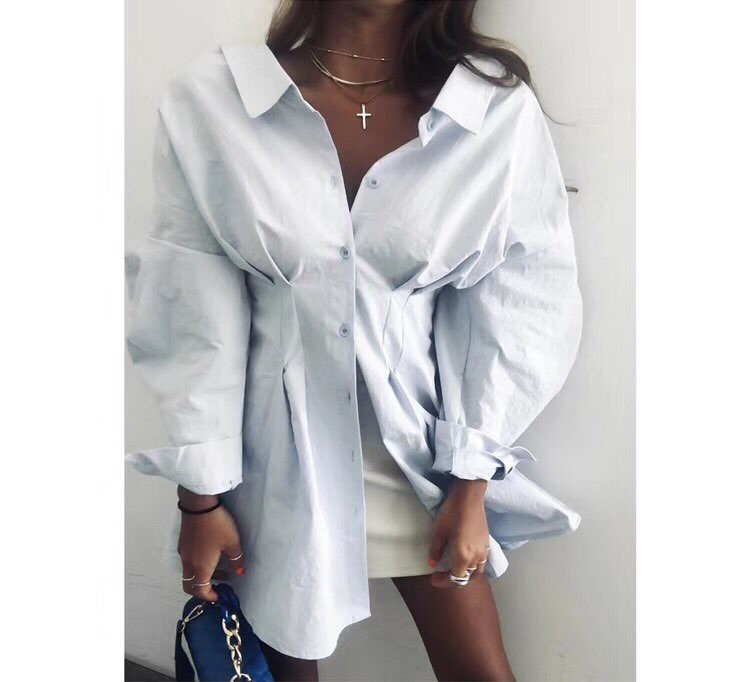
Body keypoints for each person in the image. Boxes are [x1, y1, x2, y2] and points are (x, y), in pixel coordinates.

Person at [125, 1, 583, 679]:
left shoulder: (490, 112)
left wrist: (472, 480)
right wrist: (202, 498)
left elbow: (519, 303)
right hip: (275, 475)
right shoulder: (215, 101)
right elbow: (191, 311)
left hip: (420, 467)